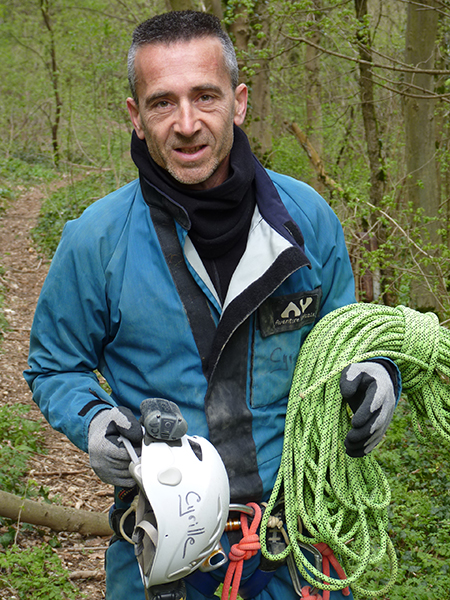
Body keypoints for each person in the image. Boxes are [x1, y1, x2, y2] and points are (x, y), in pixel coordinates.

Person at [24, 10, 400, 600]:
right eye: (162, 102)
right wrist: (95, 422)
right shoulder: (96, 239)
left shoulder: (307, 221)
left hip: (299, 552)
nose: (187, 123)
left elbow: (349, 339)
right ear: (135, 117)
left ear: (239, 102)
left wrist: (380, 375)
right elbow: (53, 364)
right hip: (164, 557)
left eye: (205, 96)